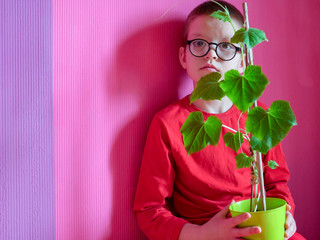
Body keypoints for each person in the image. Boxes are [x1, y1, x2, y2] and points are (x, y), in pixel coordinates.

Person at [133, 1, 305, 239]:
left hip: (264, 230)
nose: (211, 53)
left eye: (225, 45)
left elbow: (277, 185)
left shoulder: (259, 115)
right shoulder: (167, 123)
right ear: (184, 56)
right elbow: (149, 210)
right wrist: (202, 234)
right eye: (200, 43)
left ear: (243, 60)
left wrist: (286, 217)